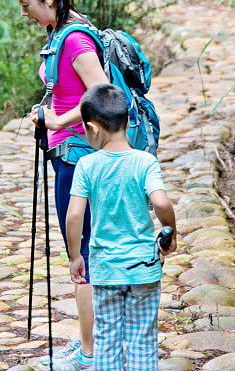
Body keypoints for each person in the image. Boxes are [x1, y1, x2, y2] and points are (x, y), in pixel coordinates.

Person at [13, 0, 109, 371]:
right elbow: (71, 91)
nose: (25, 13)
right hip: (67, 152)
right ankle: (91, 342)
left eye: (26, 5)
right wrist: (47, 114)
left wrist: (56, 118)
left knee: (81, 252)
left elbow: (102, 93)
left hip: (78, 157)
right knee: (86, 249)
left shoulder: (73, 38)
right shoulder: (65, 30)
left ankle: (90, 355)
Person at [66, 84, 176, 371]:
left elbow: (74, 216)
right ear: (128, 121)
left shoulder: (87, 166)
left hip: (106, 270)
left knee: (107, 339)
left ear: (91, 128)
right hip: (144, 267)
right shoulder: (145, 161)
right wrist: (169, 231)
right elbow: (161, 204)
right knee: (142, 339)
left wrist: (76, 256)